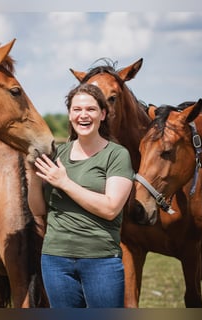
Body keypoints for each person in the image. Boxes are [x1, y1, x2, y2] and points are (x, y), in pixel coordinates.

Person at [32, 83, 134, 308]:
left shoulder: (117, 155)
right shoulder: (58, 154)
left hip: (101, 260)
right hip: (55, 260)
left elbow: (110, 209)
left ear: (103, 114)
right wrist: (32, 175)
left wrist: (64, 182)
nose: (83, 115)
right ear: (69, 115)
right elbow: (39, 210)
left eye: (91, 109)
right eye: (77, 109)